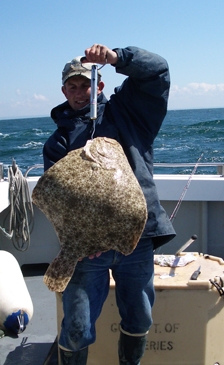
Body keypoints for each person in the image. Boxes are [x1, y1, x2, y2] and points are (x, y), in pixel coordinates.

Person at [43, 44, 176, 365]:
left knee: (140, 317)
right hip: (89, 250)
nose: (78, 92)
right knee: (76, 327)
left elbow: (158, 72)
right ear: (63, 90)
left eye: (85, 85)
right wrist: (85, 239)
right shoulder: (58, 141)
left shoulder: (129, 113)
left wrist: (117, 58)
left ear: (98, 85)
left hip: (137, 239)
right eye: (72, 87)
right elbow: (58, 200)